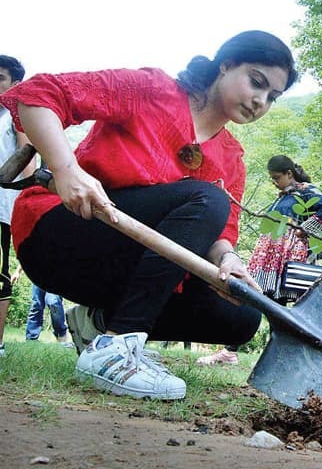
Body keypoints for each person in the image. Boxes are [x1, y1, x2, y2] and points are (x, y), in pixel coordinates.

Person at [0, 30, 298, 399]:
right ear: (226, 64)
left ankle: (97, 325)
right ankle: (116, 347)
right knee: (208, 200)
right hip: (60, 234)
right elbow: (39, 95)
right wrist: (66, 169)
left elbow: (222, 234)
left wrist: (230, 260)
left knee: (241, 316)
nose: (260, 101)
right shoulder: (152, 90)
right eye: (257, 82)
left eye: (272, 96)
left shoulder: (231, 157)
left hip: (126, 266)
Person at [198, 154, 322, 365]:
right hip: (269, 258)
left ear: (290, 174)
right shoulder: (285, 195)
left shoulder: (306, 191)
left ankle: (244, 353)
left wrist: (304, 230)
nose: (274, 182)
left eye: (277, 177)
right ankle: (238, 352)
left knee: (268, 299)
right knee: (263, 298)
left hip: (286, 257)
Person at [0, 55, 35, 358]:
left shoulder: (16, 116)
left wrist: (30, 198)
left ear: (14, 84)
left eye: (0, 78)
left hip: (2, 207)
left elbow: (27, 158)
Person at [23, 280, 73, 349]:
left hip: (54, 275)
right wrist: (18, 272)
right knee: (36, 305)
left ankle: (61, 335)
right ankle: (31, 338)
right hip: (38, 275)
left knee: (54, 303)